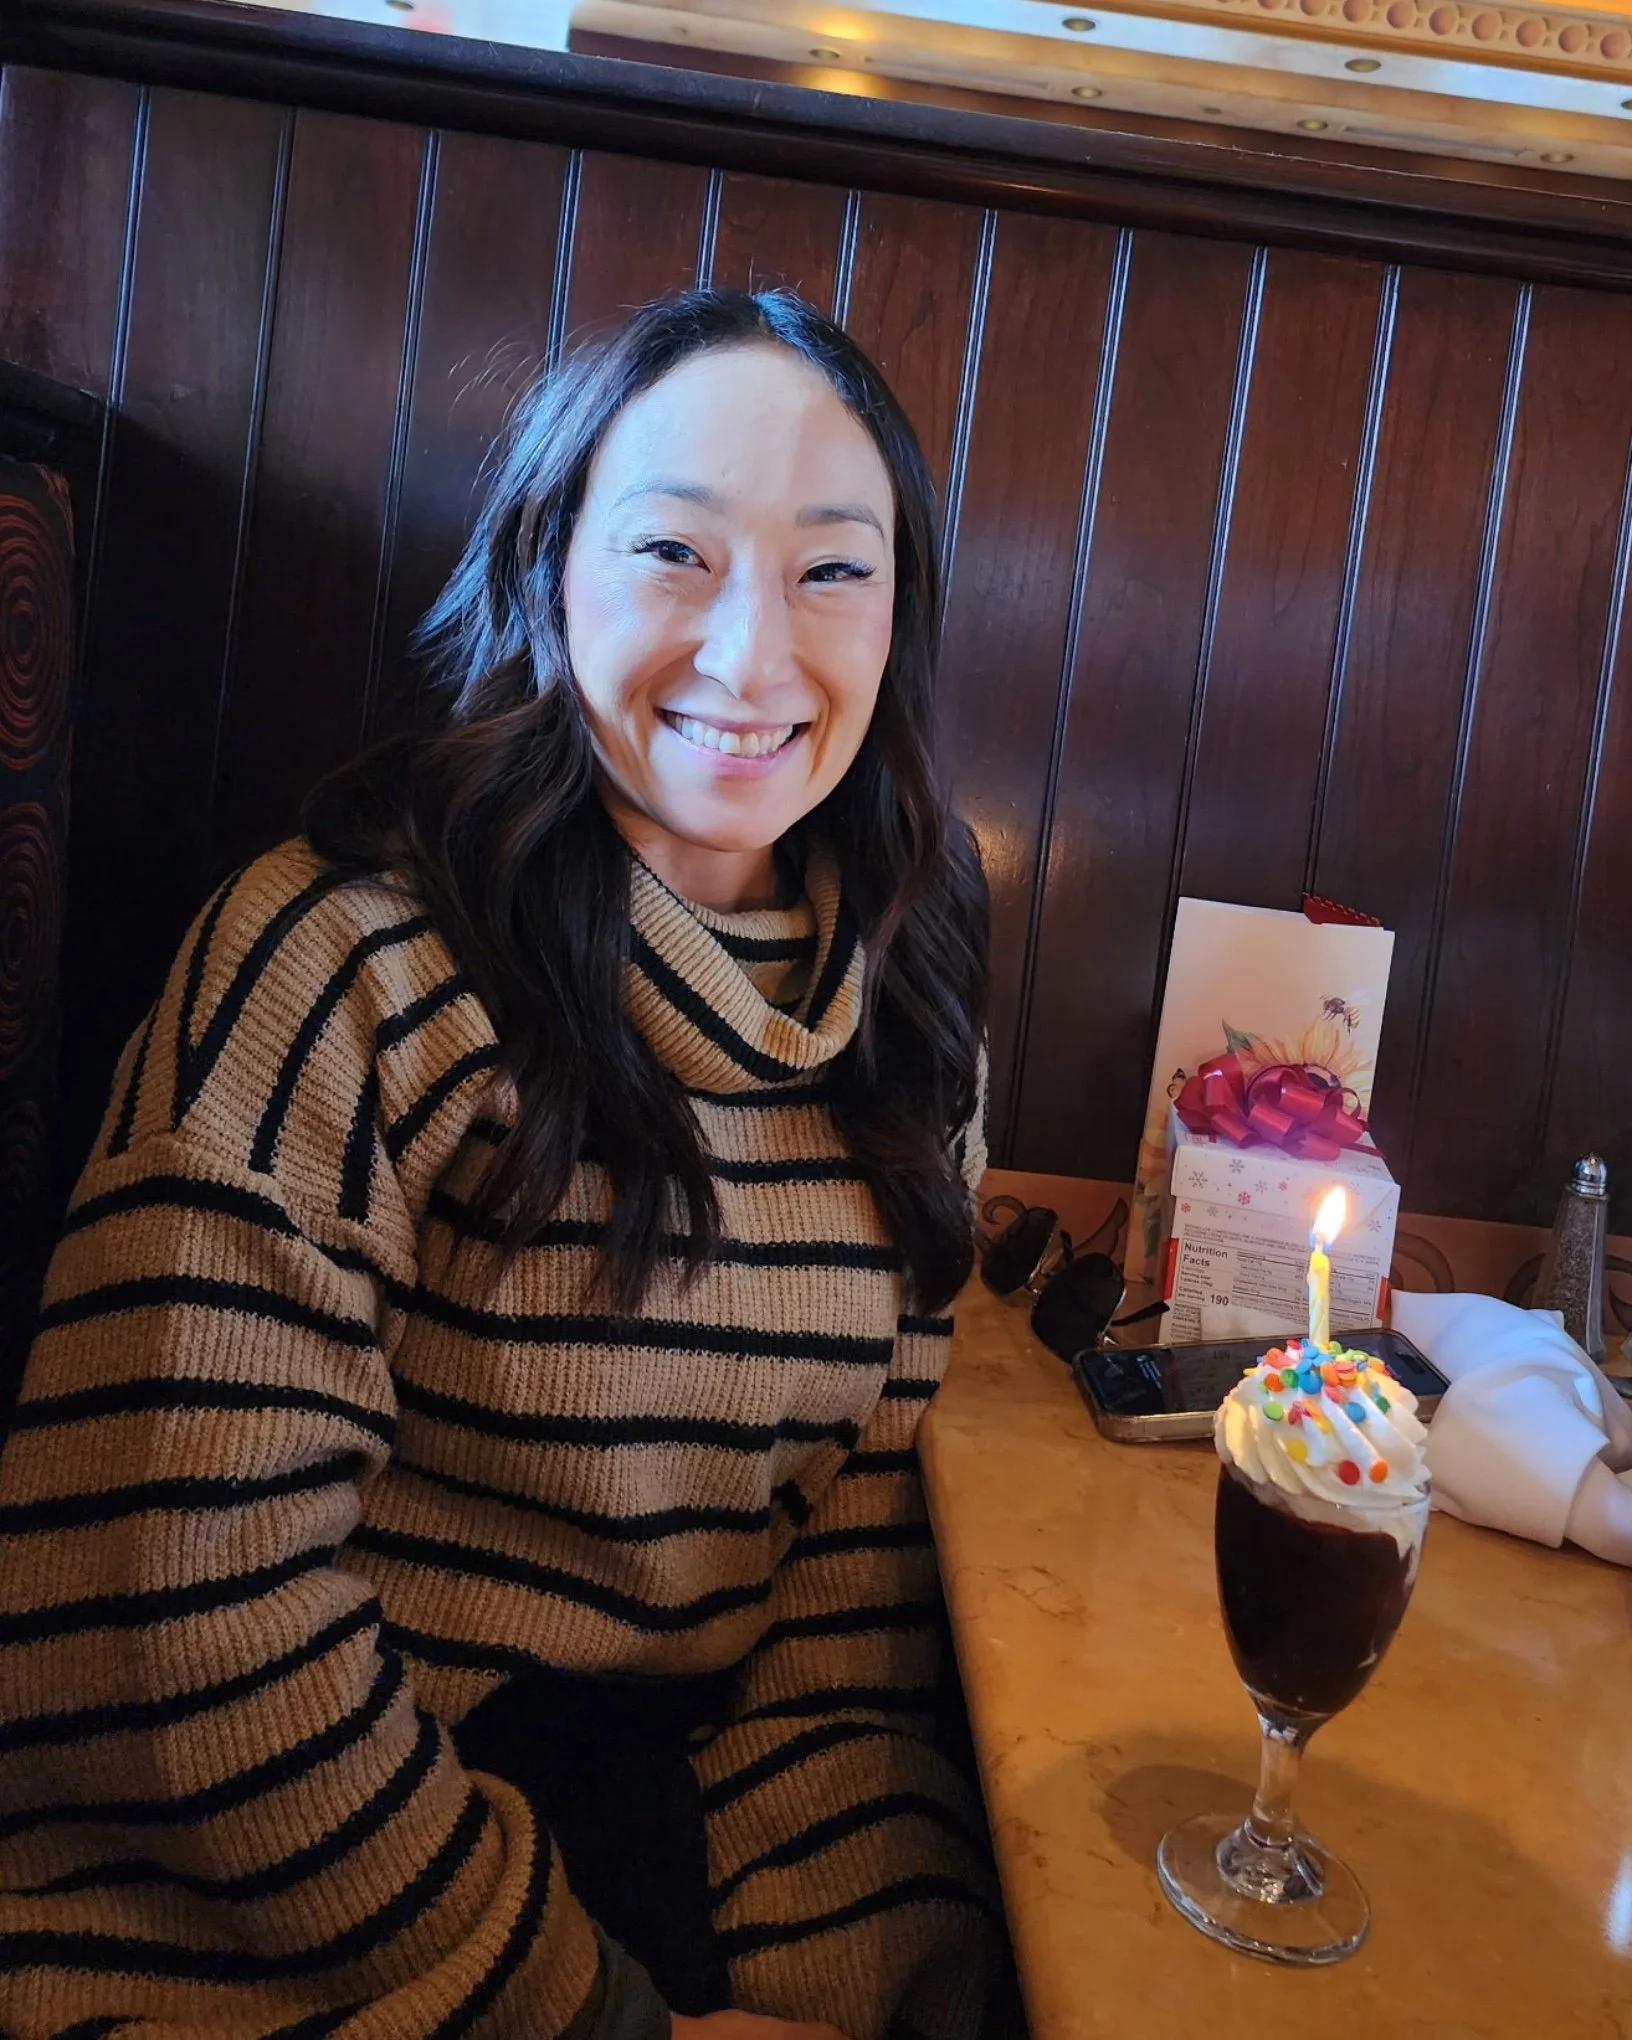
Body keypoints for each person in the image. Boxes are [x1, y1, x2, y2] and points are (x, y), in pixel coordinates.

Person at [0, 288, 996, 2040]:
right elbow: (166, 1607)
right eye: (677, 552)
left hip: (641, 1868)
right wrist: (594, 2018)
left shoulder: (903, 1029)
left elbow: (840, 1644)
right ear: (549, 574)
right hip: (258, 1906)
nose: (755, 653)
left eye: (835, 570)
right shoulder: (344, 961)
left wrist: (856, 2007)